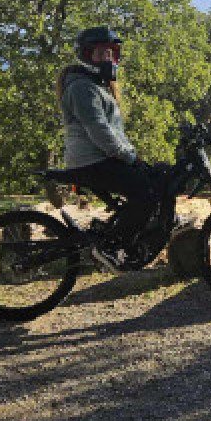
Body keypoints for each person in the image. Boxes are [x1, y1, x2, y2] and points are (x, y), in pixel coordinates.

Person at [55, 26, 158, 264]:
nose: (108, 59)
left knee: (154, 179)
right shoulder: (82, 87)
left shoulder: (97, 87)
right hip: (91, 161)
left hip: (102, 158)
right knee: (146, 192)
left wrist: (133, 155)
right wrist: (129, 158)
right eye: (102, 54)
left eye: (112, 54)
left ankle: (126, 238)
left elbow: (115, 133)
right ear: (86, 55)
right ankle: (111, 248)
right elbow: (99, 130)